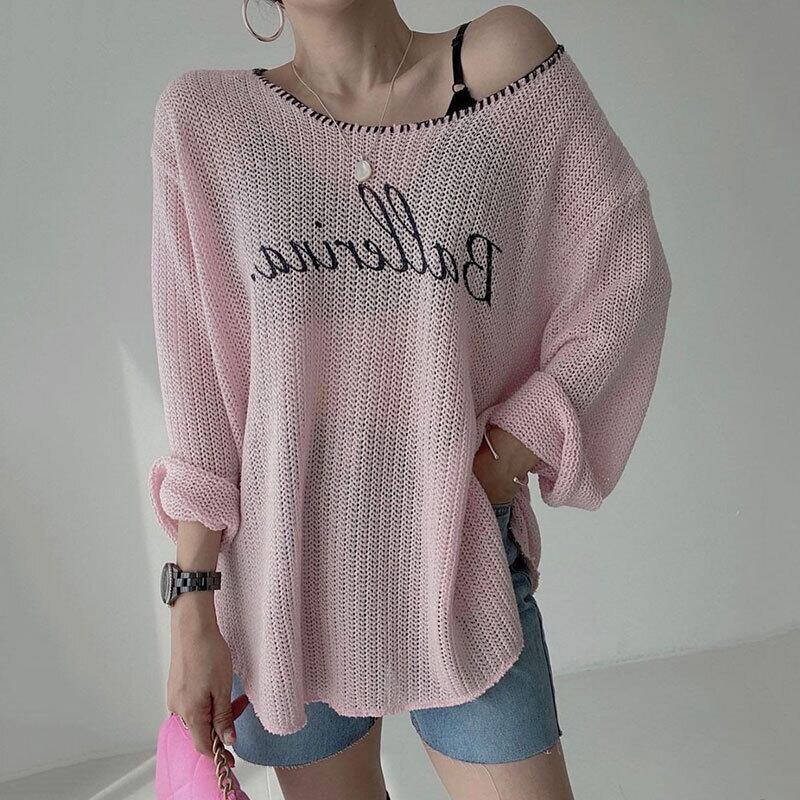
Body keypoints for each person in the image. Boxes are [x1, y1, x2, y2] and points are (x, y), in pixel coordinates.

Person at [147, 2, 672, 798]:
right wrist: (192, 609)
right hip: (284, 576)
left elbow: (626, 275)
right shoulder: (205, 121)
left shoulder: (500, 65)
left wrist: (508, 452)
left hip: (457, 561)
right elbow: (200, 405)